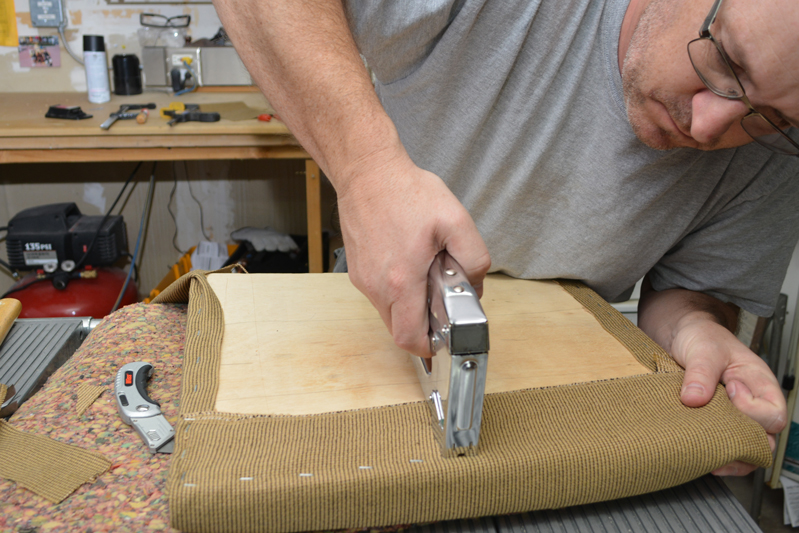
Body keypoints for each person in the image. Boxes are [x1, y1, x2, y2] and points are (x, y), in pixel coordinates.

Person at [213, 0, 799, 476]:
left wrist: (697, 329)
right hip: (377, 339)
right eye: (725, 62)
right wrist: (367, 170)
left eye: (771, 118)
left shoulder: (775, 155)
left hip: (563, 397)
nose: (709, 125)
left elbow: (694, 290)